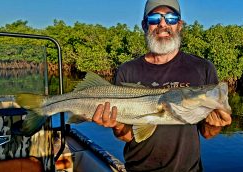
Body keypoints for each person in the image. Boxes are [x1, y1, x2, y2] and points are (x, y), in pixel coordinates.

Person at [92, 0, 232, 171]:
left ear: (179, 25)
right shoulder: (127, 70)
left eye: (171, 18)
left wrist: (214, 123)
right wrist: (116, 124)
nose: (163, 24)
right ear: (145, 25)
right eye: (154, 18)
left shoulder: (202, 68)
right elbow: (126, 135)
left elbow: (207, 133)